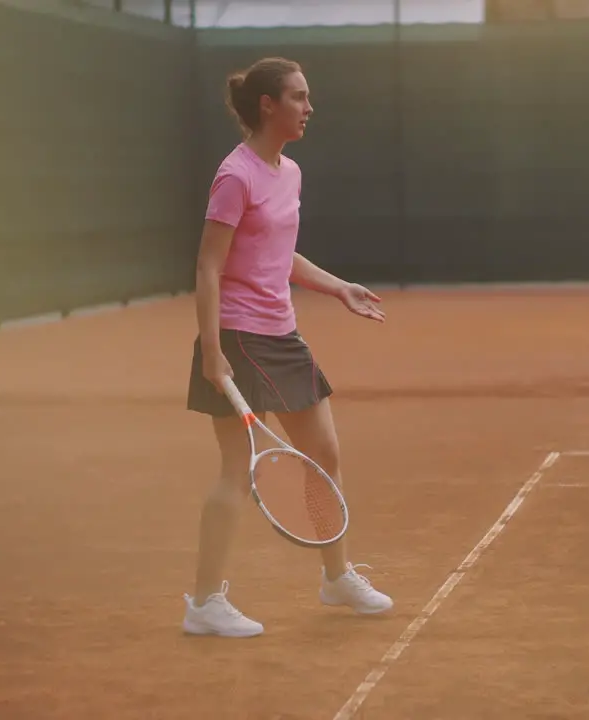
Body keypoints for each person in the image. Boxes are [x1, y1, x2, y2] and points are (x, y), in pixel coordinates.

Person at [181, 57, 395, 638]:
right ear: (268, 105)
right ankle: (203, 602)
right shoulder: (236, 175)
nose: (309, 107)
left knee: (323, 453)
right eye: (298, 97)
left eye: (308, 97)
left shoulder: (289, 172)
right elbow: (208, 264)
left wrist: (337, 286)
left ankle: (336, 577)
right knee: (236, 472)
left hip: (283, 334)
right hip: (239, 337)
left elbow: (281, 255)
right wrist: (210, 347)